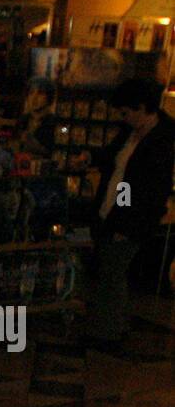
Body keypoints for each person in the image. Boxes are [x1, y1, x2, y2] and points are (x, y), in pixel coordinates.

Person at [87, 77, 175, 348]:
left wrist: (125, 222)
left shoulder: (162, 139)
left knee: (112, 273)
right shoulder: (132, 133)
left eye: (126, 112)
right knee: (113, 272)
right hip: (115, 207)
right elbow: (114, 159)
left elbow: (147, 189)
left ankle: (108, 332)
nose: (123, 118)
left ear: (140, 108)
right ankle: (114, 326)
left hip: (130, 216)